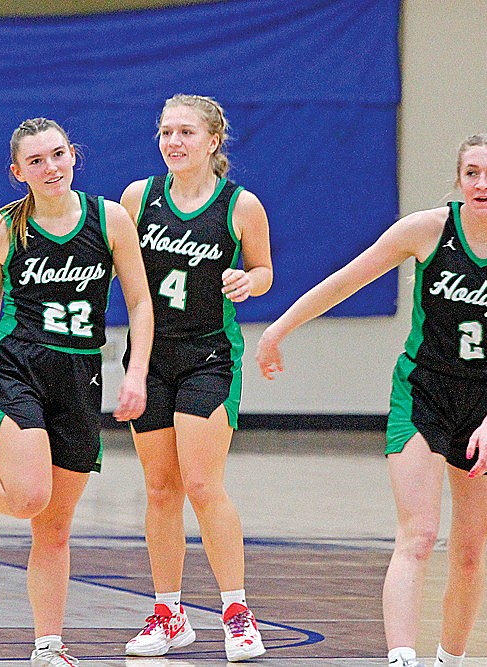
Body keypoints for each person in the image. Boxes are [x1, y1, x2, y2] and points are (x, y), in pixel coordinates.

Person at [256, 134, 487, 667]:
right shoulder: (427, 229)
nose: (482, 183)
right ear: (458, 179)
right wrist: (278, 329)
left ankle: (451, 657)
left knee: (468, 552)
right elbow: (346, 280)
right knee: (418, 534)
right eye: (472, 172)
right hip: (423, 390)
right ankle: (401, 657)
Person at [0, 117, 153, 667]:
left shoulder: (110, 220)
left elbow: (140, 303)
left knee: (54, 527)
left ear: (75, 155)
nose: (51, 167)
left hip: (80, 377)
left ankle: (48, 648)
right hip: (16, 369)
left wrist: (134, 372)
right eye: (37, 161)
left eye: (58, 154)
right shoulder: (2, 230)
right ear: (17, 172)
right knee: (29, 497)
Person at [119, 94, 273, 662]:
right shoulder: (139, 198)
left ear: (213, 141)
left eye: (185, 131)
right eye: (165, 132)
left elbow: (264, 270)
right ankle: (168, 613)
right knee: (161, 488)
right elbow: (110, 258)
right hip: (150, 357)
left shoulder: (240, 205)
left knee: (204, 484)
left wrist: (248, 283)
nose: (173, 142)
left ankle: (236, 611)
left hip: (209, 355)